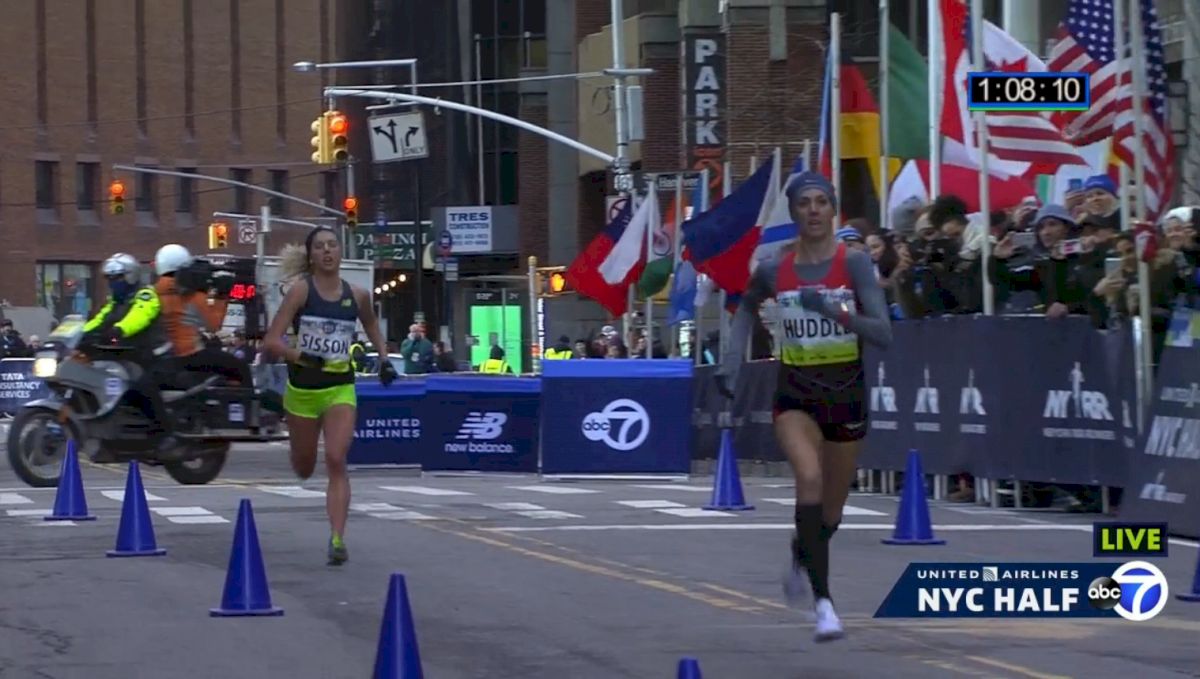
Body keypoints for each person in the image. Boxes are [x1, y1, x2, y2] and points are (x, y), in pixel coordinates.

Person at [716, 172, 893, 643]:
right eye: (804, 203)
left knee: (830, 513)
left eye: (821, 202)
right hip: (795, 392)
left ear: (832, 210)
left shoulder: (853, 264)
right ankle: (824, 605)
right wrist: (732, 361)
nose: (813, 210)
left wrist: (834, 311)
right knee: (808, 479)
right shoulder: (775, 268)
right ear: (793, 212)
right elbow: (745, 307)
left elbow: (884, 334)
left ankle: (802, 554)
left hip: (846, 393)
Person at [262, 227, 395, 565]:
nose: (327, 252)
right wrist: (302, 357)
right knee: (304, 468)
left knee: (337, 458)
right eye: (320, 247)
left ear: (340, 252)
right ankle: (298, 452)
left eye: (332, 245)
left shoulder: (358, 295)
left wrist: (383, 359)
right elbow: (272, 341)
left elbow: (372, 326)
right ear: (311, 256)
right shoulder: (300, 293)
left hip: (339, 387)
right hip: (303, 390)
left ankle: (337, 539)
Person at [83, 253, 175, 450]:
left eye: (116, 278)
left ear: (130, 276)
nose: (112, 283)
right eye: (110, 279)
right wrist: (77, 335)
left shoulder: (145, 294)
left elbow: (140, 315)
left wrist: (120, 329)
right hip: (129, 357)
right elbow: (97, 321)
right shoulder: (114, 303)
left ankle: (165, 434)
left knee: (141, 386)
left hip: (156, 357)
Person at [152, 244, 253, 388]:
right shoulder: (193, 295)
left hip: (163, 357)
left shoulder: (153, 293)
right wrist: (221, 296)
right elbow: (213, 326)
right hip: (190, 355)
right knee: (240, 368)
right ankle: (246, 405)